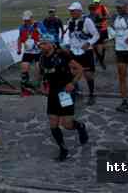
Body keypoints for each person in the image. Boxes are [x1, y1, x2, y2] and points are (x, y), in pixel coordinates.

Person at [38, 33, 89, 161]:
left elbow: (80, 69)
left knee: (67, 124)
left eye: (44, 43)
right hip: (52, 94)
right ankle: (63, 149)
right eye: (40, 43)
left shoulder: (62, 55)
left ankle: (80, 127)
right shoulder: (42, 58)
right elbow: (42, 74)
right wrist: (42, 85)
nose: (41, 46)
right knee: (53, 123)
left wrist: (72, 83)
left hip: (65, 93)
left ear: (51, 44)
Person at [63, 2, 99, 106]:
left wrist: (89, 43)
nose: (71, 12)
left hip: (86, 52)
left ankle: (92, 95)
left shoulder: (87, 21)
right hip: (74, 52)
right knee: (73, 74)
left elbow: (96, 35)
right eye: (70, 11)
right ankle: (76, 91)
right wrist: (68, 46)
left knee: (88, 75)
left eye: (73, 11)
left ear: (79, 11)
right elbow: (70, 36)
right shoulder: (70, 21)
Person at [17, 10, 46, 90]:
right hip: (28, 51)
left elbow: (45, 35)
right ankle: (25, 85)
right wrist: (19, 48)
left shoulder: (39, 25)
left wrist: (42, 44)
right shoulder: (22, 27)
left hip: (38, 51)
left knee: (39, 67)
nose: (26, 21)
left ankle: (41, 84)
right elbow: (19, 38)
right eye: (25, 20)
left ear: (31, 18)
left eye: (28, 20)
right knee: (24, 67)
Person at [88, 0, 110, 70]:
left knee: (103, 45)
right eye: (95, 2)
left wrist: (102, 18)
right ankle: (100, 59)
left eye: (97, 2)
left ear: (99, 2)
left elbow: (107, 16)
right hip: (96, 30)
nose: (96, 3)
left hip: (103, 28)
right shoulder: (92, 9)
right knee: (96, 46)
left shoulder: (103, 8)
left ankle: (101, 58)